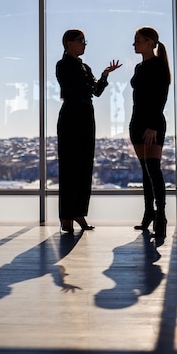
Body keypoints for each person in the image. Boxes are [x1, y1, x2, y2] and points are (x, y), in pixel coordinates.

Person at [56, 28, 121, 234]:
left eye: (85, 40)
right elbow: (72, 87)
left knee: (84, 165)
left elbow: (97, 92)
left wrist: (103, 76)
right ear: (69, 43)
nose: (84, 44)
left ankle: (79, 212)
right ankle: (66, 216)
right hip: (71, 115)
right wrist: (90, 83)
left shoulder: (85, 66)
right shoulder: (63, 65)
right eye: (81, 41)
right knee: (69, 166)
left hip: (86, 114)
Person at [130, 26, 171, 242]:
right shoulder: (138, 67)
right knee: (145, 171)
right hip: (136, 123)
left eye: (137, 40)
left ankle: (161, 218)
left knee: (154, 169)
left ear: (149, 42)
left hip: (153, 124)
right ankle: (148, 214)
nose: (134, 44)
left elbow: (161, 98)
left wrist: (153, 126)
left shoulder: (159, 66)